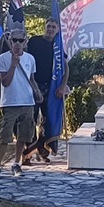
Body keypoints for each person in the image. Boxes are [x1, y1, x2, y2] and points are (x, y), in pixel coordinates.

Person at [0, 30, 43, 178]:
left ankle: (16, 163)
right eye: (14, 40)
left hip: (27, 102)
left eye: (21, 41)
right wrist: (13, 65)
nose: (17, 43)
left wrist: (37, 91)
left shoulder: (30, 59)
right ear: (10, 41)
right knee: (5, 136)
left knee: (24, 135)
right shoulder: (3, 58)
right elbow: (5, 82)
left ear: (25, 42)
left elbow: (31, 79)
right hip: (10, 103)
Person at [24, 18, 69, 162]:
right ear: (45, 27)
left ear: (57, 30)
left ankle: (42, 149)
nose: (50, 29)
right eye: (48, 26)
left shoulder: (58, 47)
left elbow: (65, 68)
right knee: (30, 119)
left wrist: (62, 86)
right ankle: (27, 153)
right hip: (33, 85)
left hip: (50, 88)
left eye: (53, 27)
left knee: (47, 120)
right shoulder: (34, 41)